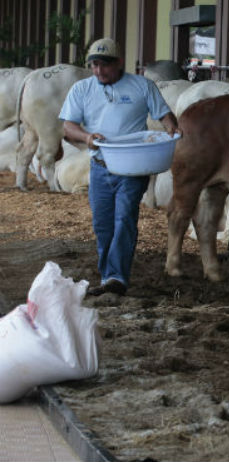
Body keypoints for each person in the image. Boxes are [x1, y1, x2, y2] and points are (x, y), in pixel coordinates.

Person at [60, 38, 181, 296]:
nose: (98, 71)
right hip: (101, 164)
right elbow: (68, 126)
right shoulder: (81, 89)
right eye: (94, 65)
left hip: (132, 165)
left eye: (104, 65)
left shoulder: (142, 86)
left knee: (124, 217)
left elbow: (164, 115)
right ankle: (108, 276)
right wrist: (87, 137)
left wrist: (172, 128)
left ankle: (117, 277)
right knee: (103, 223)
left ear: (119, 63)